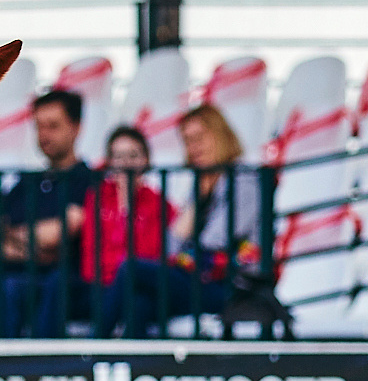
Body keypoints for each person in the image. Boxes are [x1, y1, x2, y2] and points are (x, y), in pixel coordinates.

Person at [91, 103, 263, 338]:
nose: (193, 148)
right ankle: (136, 367)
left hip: (233, 287)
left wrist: (194, 209)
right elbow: (170, 248)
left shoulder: (243, 180)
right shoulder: (203, 183)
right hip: (198, 280)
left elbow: (214, 240)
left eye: (200, 138)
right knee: (139, 302)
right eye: (188, 141)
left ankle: (91, 348)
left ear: (221, 136)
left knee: (131, 268)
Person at [0, 88, 91, 338]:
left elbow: (57, 236)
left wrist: (8, 236)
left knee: (10, 291)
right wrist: (34, 250)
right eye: (39, 127)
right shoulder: (25, 183)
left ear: (77, 127)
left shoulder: (88, 180)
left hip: (62, 288)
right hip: (7, 285)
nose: (44, 135)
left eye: (53, 126)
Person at [79, 127, 169, 335]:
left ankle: (106, 356)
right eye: (119, 157)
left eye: (133, 155)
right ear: (110, 162)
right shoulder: (97, 197)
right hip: (100, 286)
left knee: (140, 303)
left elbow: (151, 255)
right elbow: (91, 255)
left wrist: (128, 208)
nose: (126, 163)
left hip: (137, 286)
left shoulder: (159, 203)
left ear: (146, 160)